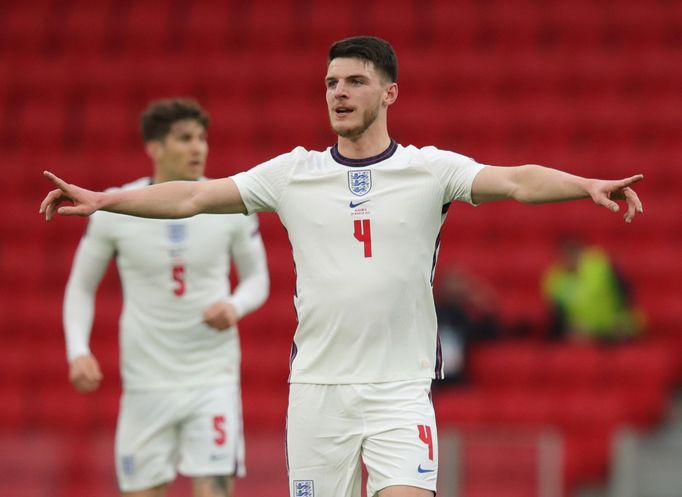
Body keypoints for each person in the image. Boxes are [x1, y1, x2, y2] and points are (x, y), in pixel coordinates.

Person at [40, 36, 643, 497]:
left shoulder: (430, 169)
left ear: (389, 93)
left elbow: (515, 180)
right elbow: (194, 196)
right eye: (331, 83)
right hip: (317, 393)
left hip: (400, 390)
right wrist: (106, 200)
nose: (339, 93)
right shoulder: (293, 173)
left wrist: (584, 183)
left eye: (355, 81)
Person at [61, 98, 269, 497]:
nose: (198, 148)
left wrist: (234, 305)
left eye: (202, 138)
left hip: (212, 376)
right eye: (185, 139)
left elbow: (257, 278)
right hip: (146, 382)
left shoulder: (229, 204)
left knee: (214, 489)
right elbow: (81, 287)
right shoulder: (114, 208)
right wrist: (78, 350)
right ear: (154, 148)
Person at [542, 236, 643, 342]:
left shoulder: (600, 264)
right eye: (566, 255)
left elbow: (625, 289)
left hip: (614, 324)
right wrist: (570, 328)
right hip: (583, 332)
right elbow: (557, 314)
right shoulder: (554, 280)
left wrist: (623, 315)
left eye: (573, 253)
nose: (570, 258)